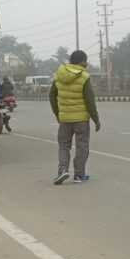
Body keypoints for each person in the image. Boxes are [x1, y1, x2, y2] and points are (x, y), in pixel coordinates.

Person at [49, 50, 101, 185]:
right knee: (82, 146)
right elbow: (90, 100)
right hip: (81, 120)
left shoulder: (59, 75)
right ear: (81, 61)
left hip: (65, 119)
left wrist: (57, 113)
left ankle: (62, 171)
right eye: (86, 61)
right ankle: (79, 175)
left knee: (63, 146)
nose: (87, 63)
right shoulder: (84, 76)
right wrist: (96, 119)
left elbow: (51, 95)